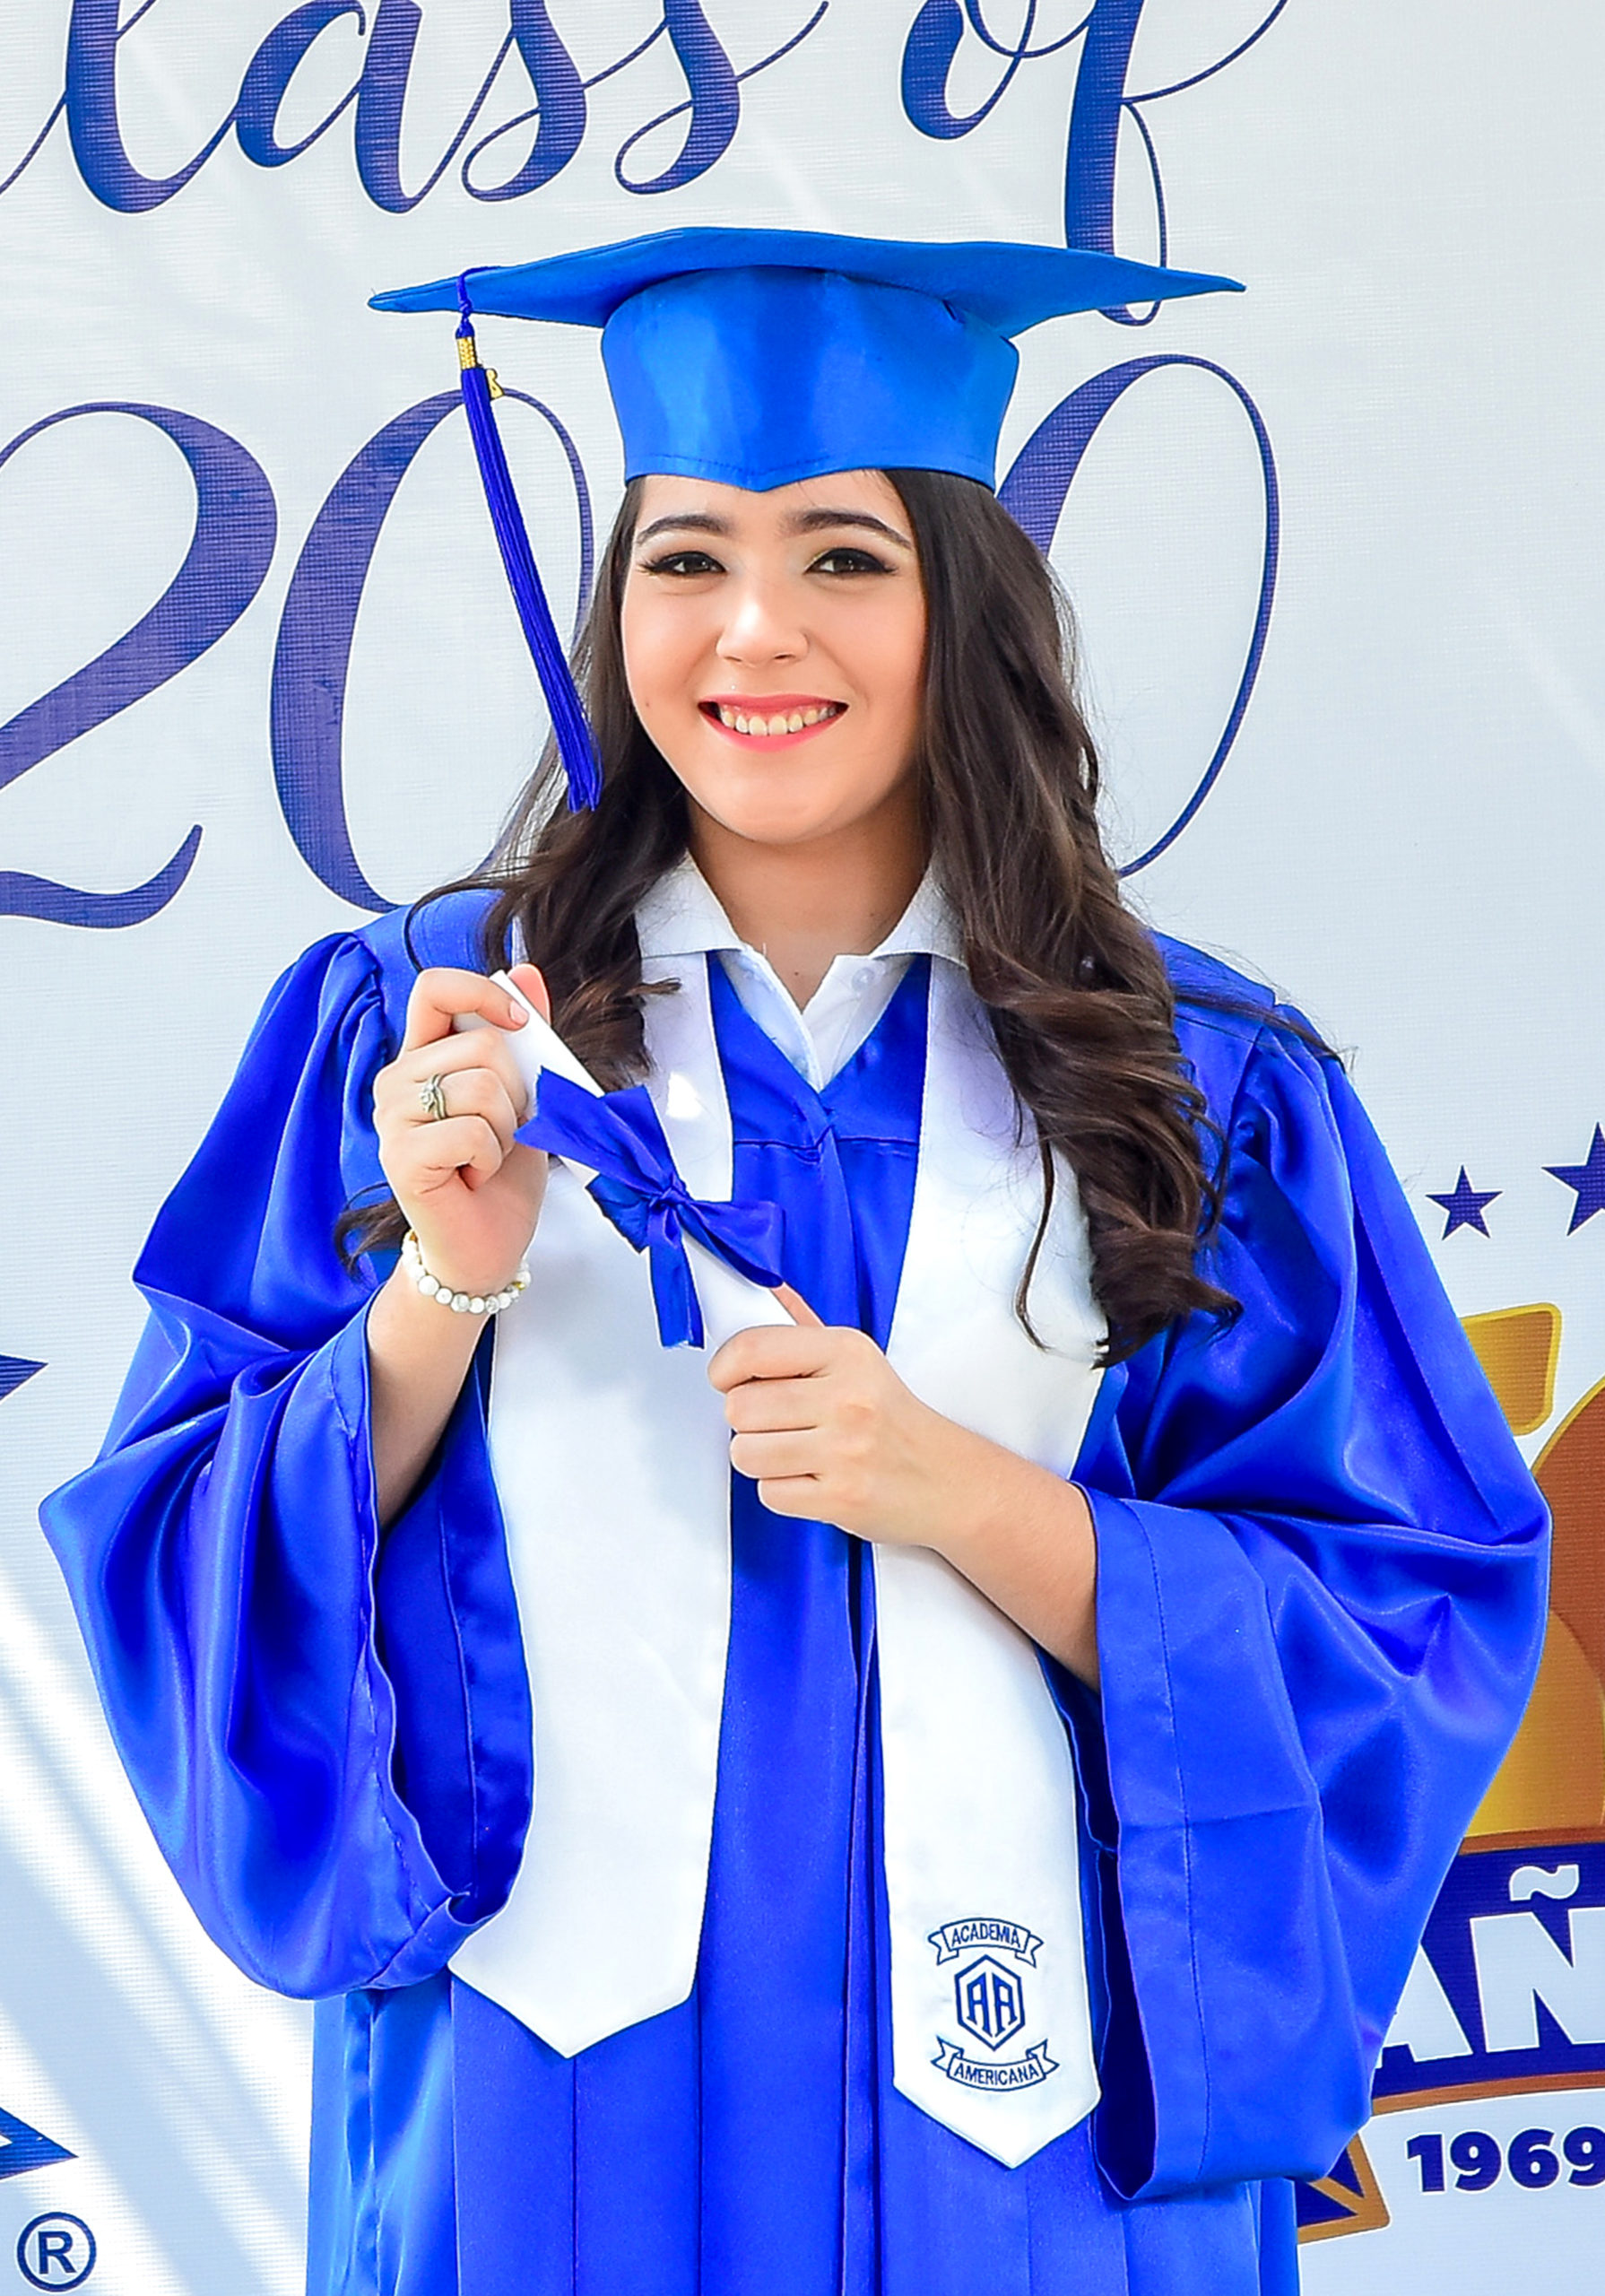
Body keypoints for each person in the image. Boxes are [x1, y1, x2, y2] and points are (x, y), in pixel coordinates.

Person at [42, 232, 1547, 2296]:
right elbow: (180, 1545)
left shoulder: (1195, 1075)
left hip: (1028, 2145)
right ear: (616, 606)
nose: (756, 627)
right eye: (687, 558)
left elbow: (1397, 1618)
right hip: (537, 2118)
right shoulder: (422, 1026)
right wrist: (438, 1288)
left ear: (961, 607)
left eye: (843, 555)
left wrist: (967, 1494)